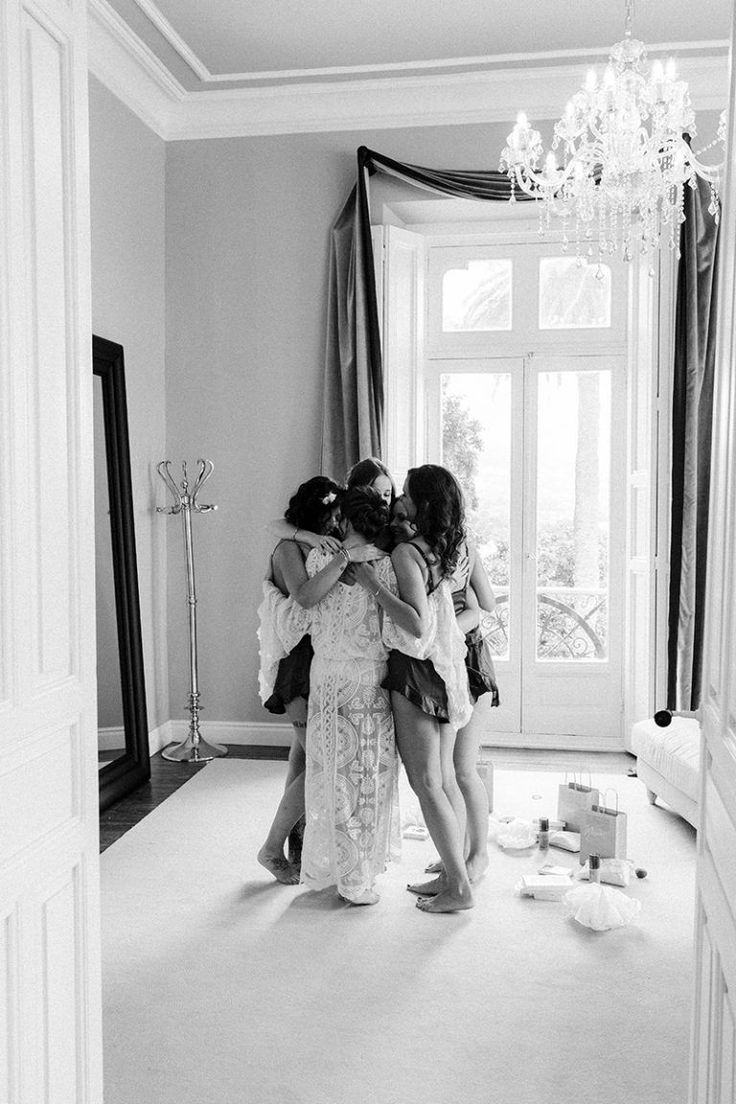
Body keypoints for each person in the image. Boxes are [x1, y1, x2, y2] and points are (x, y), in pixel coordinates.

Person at [353, 465, 474, 914]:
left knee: (425, 782)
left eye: (404, 492)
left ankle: (459, 887)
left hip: (414, 668)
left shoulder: (406, 551)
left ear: (422, 503)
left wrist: (371, 585)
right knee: (442, 780)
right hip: (443, 670)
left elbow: (418, 623)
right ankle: (450, 873)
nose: (397, 499)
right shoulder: (444, 546)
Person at [300, 486, 401, 905]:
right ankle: (354, 876)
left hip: (338, 678)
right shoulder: (371, 561)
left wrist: (345, 558)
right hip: (357, 680)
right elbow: (305, 599)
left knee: (334, 777)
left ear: (344, 518)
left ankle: (339, 870)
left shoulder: (336, 558)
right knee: (362, 778)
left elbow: (306, 599)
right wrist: (346, 557)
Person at [257, 476, 352, 884]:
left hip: (323, 660)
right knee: (319, 761)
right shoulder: (289, 549)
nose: (338, 524)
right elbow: (303, 596)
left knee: (303, 757)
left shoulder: (318, 544)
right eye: (333, 516)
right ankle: (270, 847)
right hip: (299, 666)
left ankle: (298, 841)